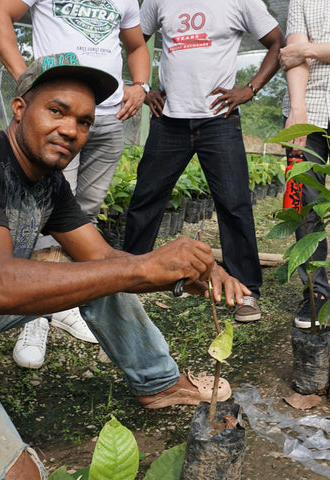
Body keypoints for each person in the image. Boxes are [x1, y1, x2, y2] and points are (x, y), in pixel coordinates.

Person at [0, 53, 250, 480]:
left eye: (83, 122)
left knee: (97, 273)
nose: (71, 130)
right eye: (56, 111)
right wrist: (142, 269)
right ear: (20, 108)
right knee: (23, 478)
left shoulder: (46, 179)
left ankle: (158, 383)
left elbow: (100, 258)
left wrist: (178, 272)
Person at [0, 0, 151, 368]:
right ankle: (37, 317)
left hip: (106, 120)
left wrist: (141, 84)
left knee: (81, 215)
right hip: (57, 117)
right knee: (47, 214)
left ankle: (67, 303)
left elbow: (137, 45)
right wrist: (30, 84)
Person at [122, 0, 285, 323]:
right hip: (168, 118)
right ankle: (125, 285)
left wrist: (250, 89)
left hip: (219, 120)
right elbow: (133, 39)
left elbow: (277, 43)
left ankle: (246, 291)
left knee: (234, 205)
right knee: (145, 200)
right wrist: (145, 87)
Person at [280, 0, 330, 329]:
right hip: (309, 105)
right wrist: (297, 110)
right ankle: (316, 292)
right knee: (304, 201)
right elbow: (292, 56)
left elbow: (300, 51)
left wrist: (309, 49)